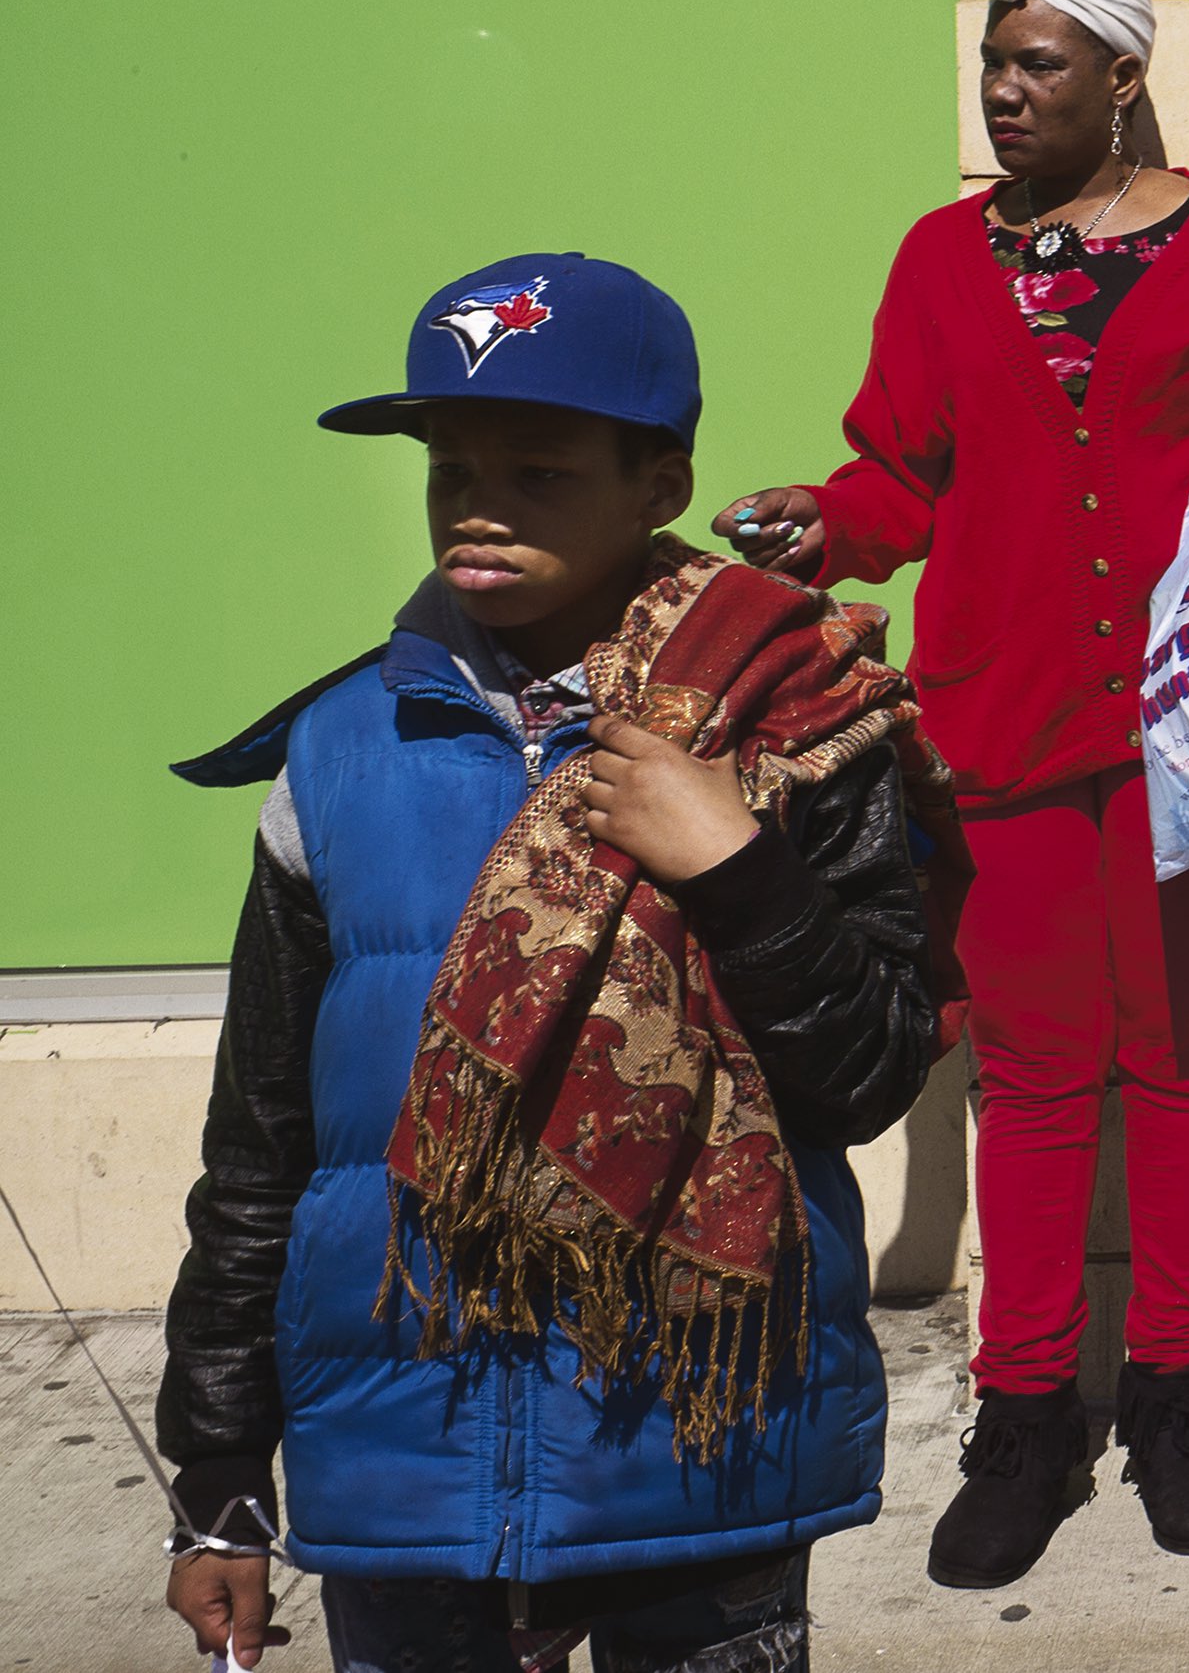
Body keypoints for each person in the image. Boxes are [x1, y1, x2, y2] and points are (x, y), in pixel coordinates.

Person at [157, 253, 943, 1673]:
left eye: (539, 467)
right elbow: (261, 1149)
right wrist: (214, 1482)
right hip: (407, 1457)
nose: (478, 502)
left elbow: (872, 1069)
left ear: (660, 483)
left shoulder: (802, 722)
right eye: (451, 464)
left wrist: (738, 863)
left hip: (700, 1452)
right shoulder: (338, 752)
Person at [720, 0, 1189, 1587]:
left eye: (1037, 65)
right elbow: (898, 477)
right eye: (994, 65)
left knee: (1187, 1057)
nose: (1003, 93)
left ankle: (1172, 1393)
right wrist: (824, 527)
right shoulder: (943, 262)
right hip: (1004, 725)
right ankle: (1025, 1409)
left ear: (1122, 78)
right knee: (1031, 1073)